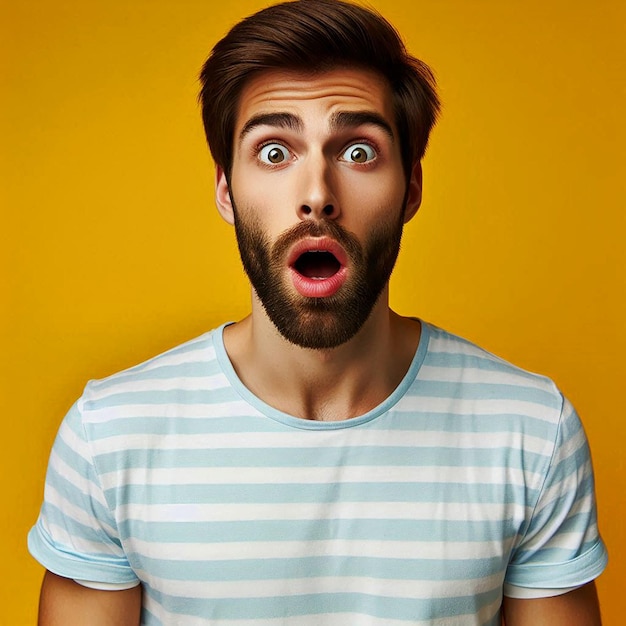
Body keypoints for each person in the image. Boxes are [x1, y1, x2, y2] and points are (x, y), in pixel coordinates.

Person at [28, 0, 607, 624]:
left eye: (358, 152)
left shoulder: (532, 431)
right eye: (275, 152)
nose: (316, 196)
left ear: (411, 187)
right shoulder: (107, 438)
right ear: (227, 190)